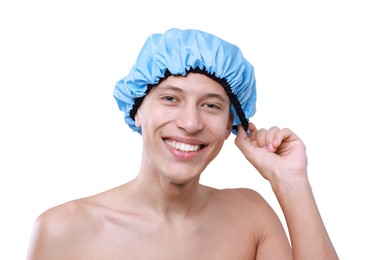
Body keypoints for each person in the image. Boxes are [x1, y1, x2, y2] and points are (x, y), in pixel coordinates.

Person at [26, 28, 338, 259]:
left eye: (211, 105)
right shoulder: (62, 229)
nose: (190, 122)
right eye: (171, 98)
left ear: (232, 123)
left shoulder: (251, 217)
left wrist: (291, 182)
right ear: (137, 111)